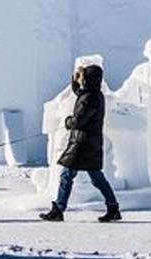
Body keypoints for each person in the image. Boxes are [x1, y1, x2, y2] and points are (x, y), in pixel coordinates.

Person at [40, 63, 121, 222]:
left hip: (82, 143)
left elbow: (79, 121)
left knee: (66, 175)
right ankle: (113, 208)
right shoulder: (94, 94)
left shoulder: (89, 97)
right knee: (96, 177)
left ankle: (59, 209)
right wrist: (75, 81)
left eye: (83, 77)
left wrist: (68, 121)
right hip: (89, 142)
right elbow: (80, 93)